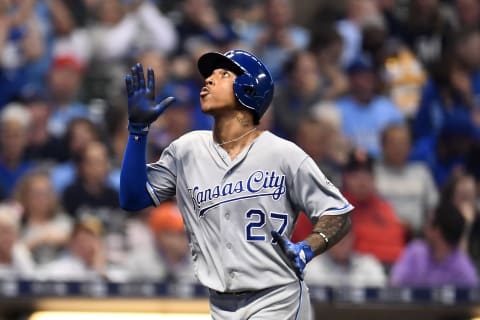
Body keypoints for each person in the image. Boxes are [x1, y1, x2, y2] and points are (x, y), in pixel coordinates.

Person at [120, 49, 353, 319]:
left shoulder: (282, 153)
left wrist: (309, 246)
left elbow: (338, 212)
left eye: (223, 74)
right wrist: (137, 131)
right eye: (209, 75)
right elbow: (132, 198)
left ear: (248, 89)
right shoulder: (187, 149)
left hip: (277, 297)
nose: (208, 80)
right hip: (220, 306)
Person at [390, 202, 478, 288]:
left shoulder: (463, 268)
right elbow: (395, 285)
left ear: (438, 231)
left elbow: (473, 298)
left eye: (429, 223)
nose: (425, 227)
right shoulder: (415, 252)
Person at [125, 201, 197, 284]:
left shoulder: (200, 262)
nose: (187, 239)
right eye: (181, 234)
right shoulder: (139, 260)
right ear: (161, 235)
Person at [304, 230, 387, 288]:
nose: (341, 241)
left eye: (345, 235)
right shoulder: (311, 269)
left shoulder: (370, 266)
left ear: (353, 237)